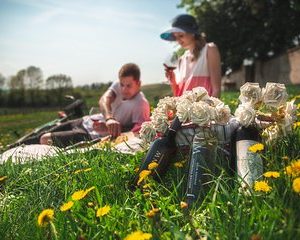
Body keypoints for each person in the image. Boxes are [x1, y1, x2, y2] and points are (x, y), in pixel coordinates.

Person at [38, 63, 150, 147]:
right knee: (39, 134)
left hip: (90, 135)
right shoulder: (118, 85)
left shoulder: (141, 104)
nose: (124, 89)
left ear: (139, 84)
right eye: (122, 85)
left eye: (129, 86)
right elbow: (104, 100)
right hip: (86, 121)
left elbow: (137, 132)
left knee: (45, 139)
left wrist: (110, 128)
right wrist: (109, 119)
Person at [160, 14, 222, 98]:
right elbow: (178, 95)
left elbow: (216, 89)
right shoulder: (182, 59)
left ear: (192, 33)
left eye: (181, 35)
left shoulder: (209, 50)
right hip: (185, 110)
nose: (178, 40)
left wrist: (213, 110)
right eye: (175, 36)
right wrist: (172, 80)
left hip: (205, 109)